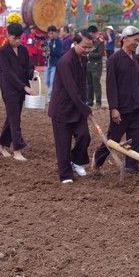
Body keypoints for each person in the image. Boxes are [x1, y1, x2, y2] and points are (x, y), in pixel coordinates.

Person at [91, 25, 139, 174]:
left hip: (136, 108)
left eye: (138, 40)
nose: (137, 43)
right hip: (121, 109)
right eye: (135, 40)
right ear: (125, 39)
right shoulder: (114, 60)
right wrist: (114, 108)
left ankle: (132, 168)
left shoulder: (135, 59)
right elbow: (111, 86)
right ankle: (97, 159)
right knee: (113, 140)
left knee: (136, 140)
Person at [49, 32, 94, 183]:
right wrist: (85, 109)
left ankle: (76, 160)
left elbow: (82, 85)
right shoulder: (65, 62)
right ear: (75, 43)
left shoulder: (84, 60)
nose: (87, 50)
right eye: (84, 47)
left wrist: (85, 104)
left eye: (90, 48)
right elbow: (72, 90)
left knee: (84, 136)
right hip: (62, 109)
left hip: (77, 107)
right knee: (63, 144)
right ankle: (66, 175)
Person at [0, 22, 39, 162]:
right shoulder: (3, 52)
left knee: (11, 117)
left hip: (20, 90)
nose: (17, 41)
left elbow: (28, 68)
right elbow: (9, 74)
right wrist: (24, 87)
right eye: (14, 38)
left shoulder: (23, 50)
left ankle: (1, 145)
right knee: (15, 120)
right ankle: (17, 151)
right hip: (9, 91)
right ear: (8, 36)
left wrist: (33, 73)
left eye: (20, 38)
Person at [86, 30, 106, 108]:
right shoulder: (89, 42)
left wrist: (89, 54)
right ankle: (89, 101)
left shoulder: (100, 42)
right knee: (89, 84)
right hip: (89, 66)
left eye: (91, 34)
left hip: (96, 67)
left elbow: (99, 54)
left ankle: (98, 102)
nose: (90, 36)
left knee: (96, 84)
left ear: (95, 33)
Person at [43, 25, 63, 102]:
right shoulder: (48, 41)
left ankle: (50, 97)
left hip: (55, 64)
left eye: (52, 33)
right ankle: (55, 93)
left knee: (52, 81)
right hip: (47, 64)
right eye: (49, 34)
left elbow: (59, 53)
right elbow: (44, 51)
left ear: (56, 33)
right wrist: (44, 53)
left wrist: (50, 51)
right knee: (47, 81)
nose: (50, 35)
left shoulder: (59, 42)